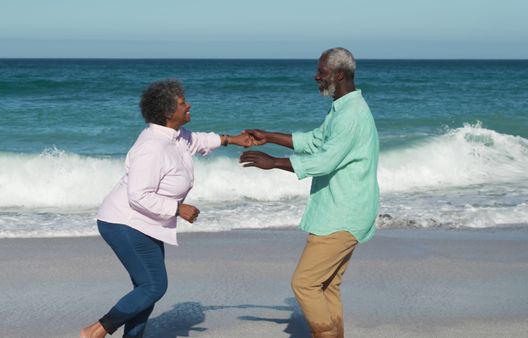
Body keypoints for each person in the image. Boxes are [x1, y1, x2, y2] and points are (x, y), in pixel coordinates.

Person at [80, 79, 252, 338]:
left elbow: (197, 140)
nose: (189, 105)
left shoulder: (176, 136)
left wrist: (232, 140)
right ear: (167, 112)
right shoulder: (152, 147)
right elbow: (138, 195)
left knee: (146, 290)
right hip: (124, 223)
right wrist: (177, 208)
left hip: (145, 223)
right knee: (153, 286)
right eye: (183, 103)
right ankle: (96, 330)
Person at [239, 47, 379, 338]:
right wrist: (270, 136)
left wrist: (273, 162)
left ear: (339, 74)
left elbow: (324, 160)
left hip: (342, 215)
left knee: (304, 283)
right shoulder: (342, 109)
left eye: (322, 72)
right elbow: (315, 141)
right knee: (327, 286)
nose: (316, 77)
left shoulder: (350, 115)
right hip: (344, 212)